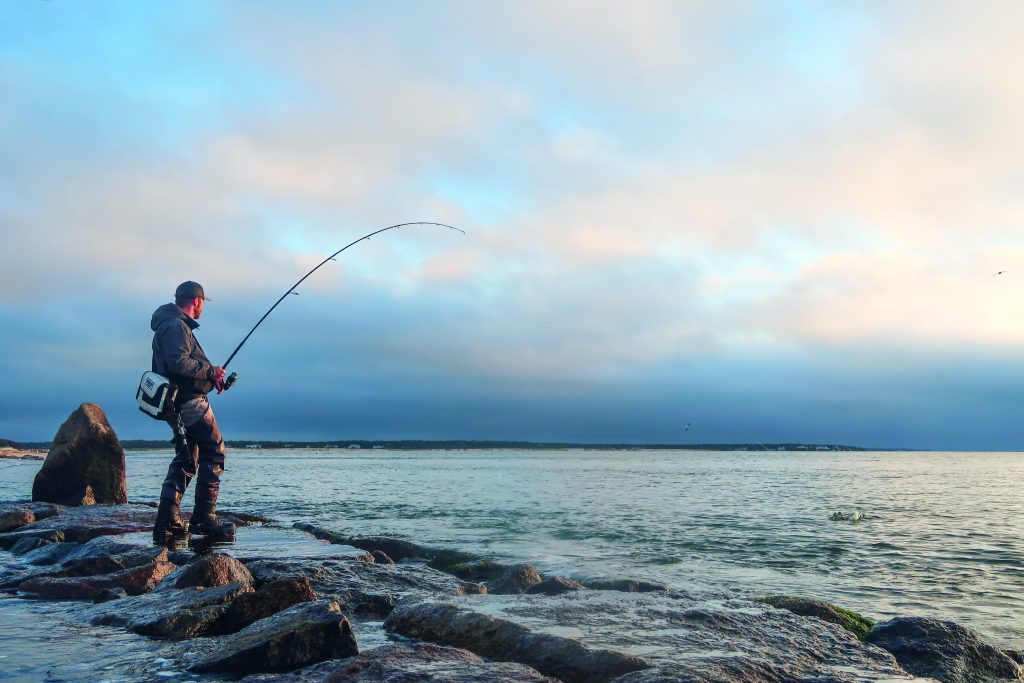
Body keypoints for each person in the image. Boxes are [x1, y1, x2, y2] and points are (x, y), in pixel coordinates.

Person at [150, 281, 236, 541]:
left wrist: (212, 379)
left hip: (176, 402)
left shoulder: (170, 324)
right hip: (189, 402)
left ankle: (167, 521)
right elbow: (179, 363)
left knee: (188, 457)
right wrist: (212, 372)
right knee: (215, 451)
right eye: (203, 303)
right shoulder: (176, 326)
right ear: (197, 301)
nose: (202, 308)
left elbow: (182, 365)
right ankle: (204, 519)